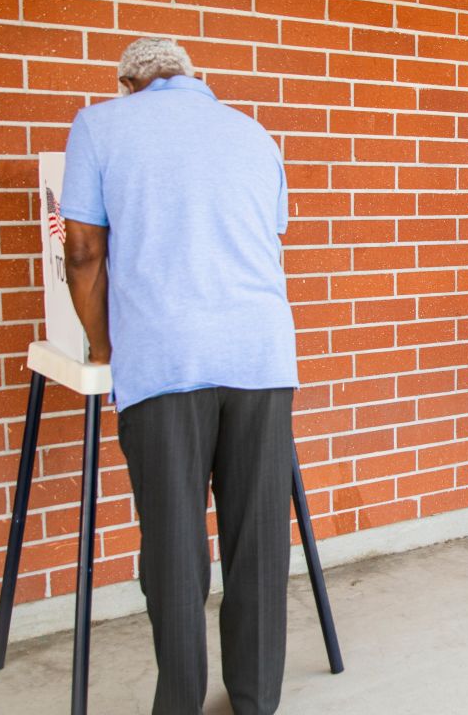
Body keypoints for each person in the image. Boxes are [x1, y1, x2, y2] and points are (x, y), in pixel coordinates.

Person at [61, 37, 300, 714]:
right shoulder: (253, 132)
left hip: (165, 358)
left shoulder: (99, 124)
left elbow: (82, 250)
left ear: (127, 84)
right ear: (197, 78)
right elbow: (262, 239)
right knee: (258, 540)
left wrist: (104, 346)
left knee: (174, 542)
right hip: (261, 355)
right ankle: (255, 701)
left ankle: (179, 703)